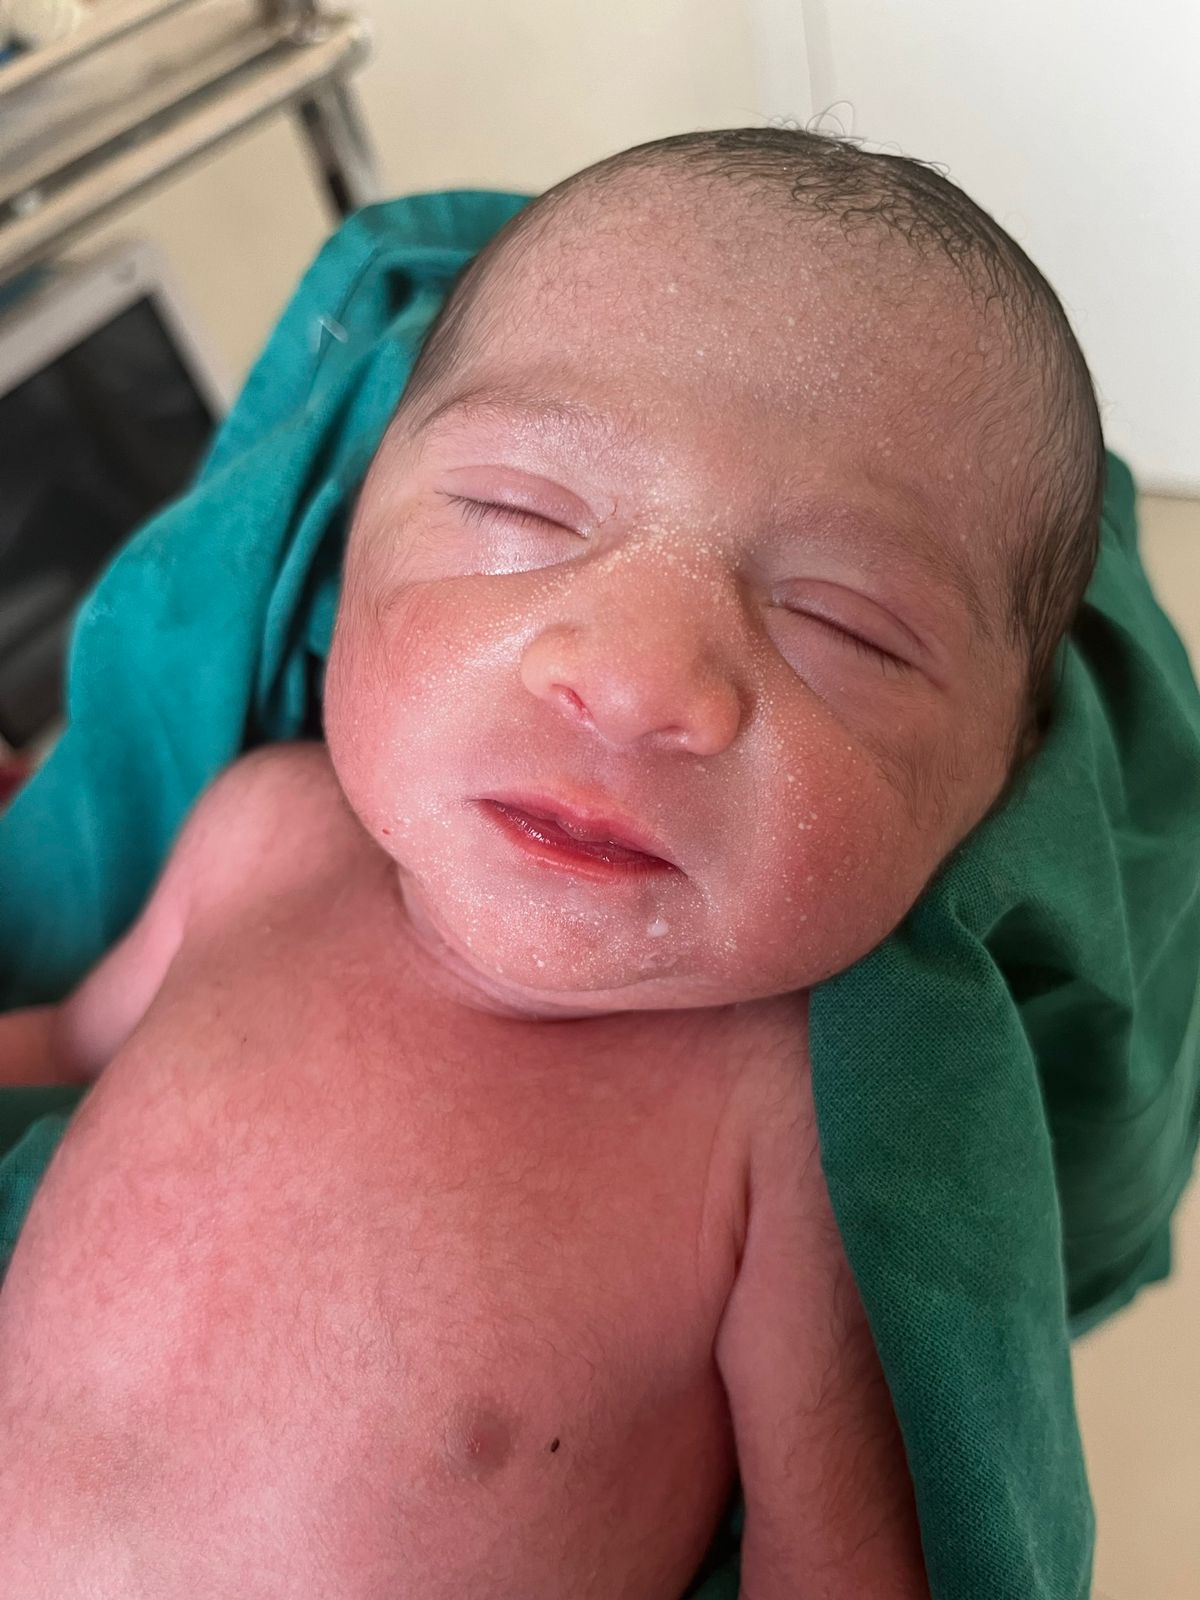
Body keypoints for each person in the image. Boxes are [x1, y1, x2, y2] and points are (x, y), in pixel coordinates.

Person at [0, 126, 1104, 1597]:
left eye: (844, 623)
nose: (636, 680)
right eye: (524, 511)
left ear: (999, 779)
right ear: (349, 546)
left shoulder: (784, 1119)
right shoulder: (257, 836)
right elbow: (66, 1044)